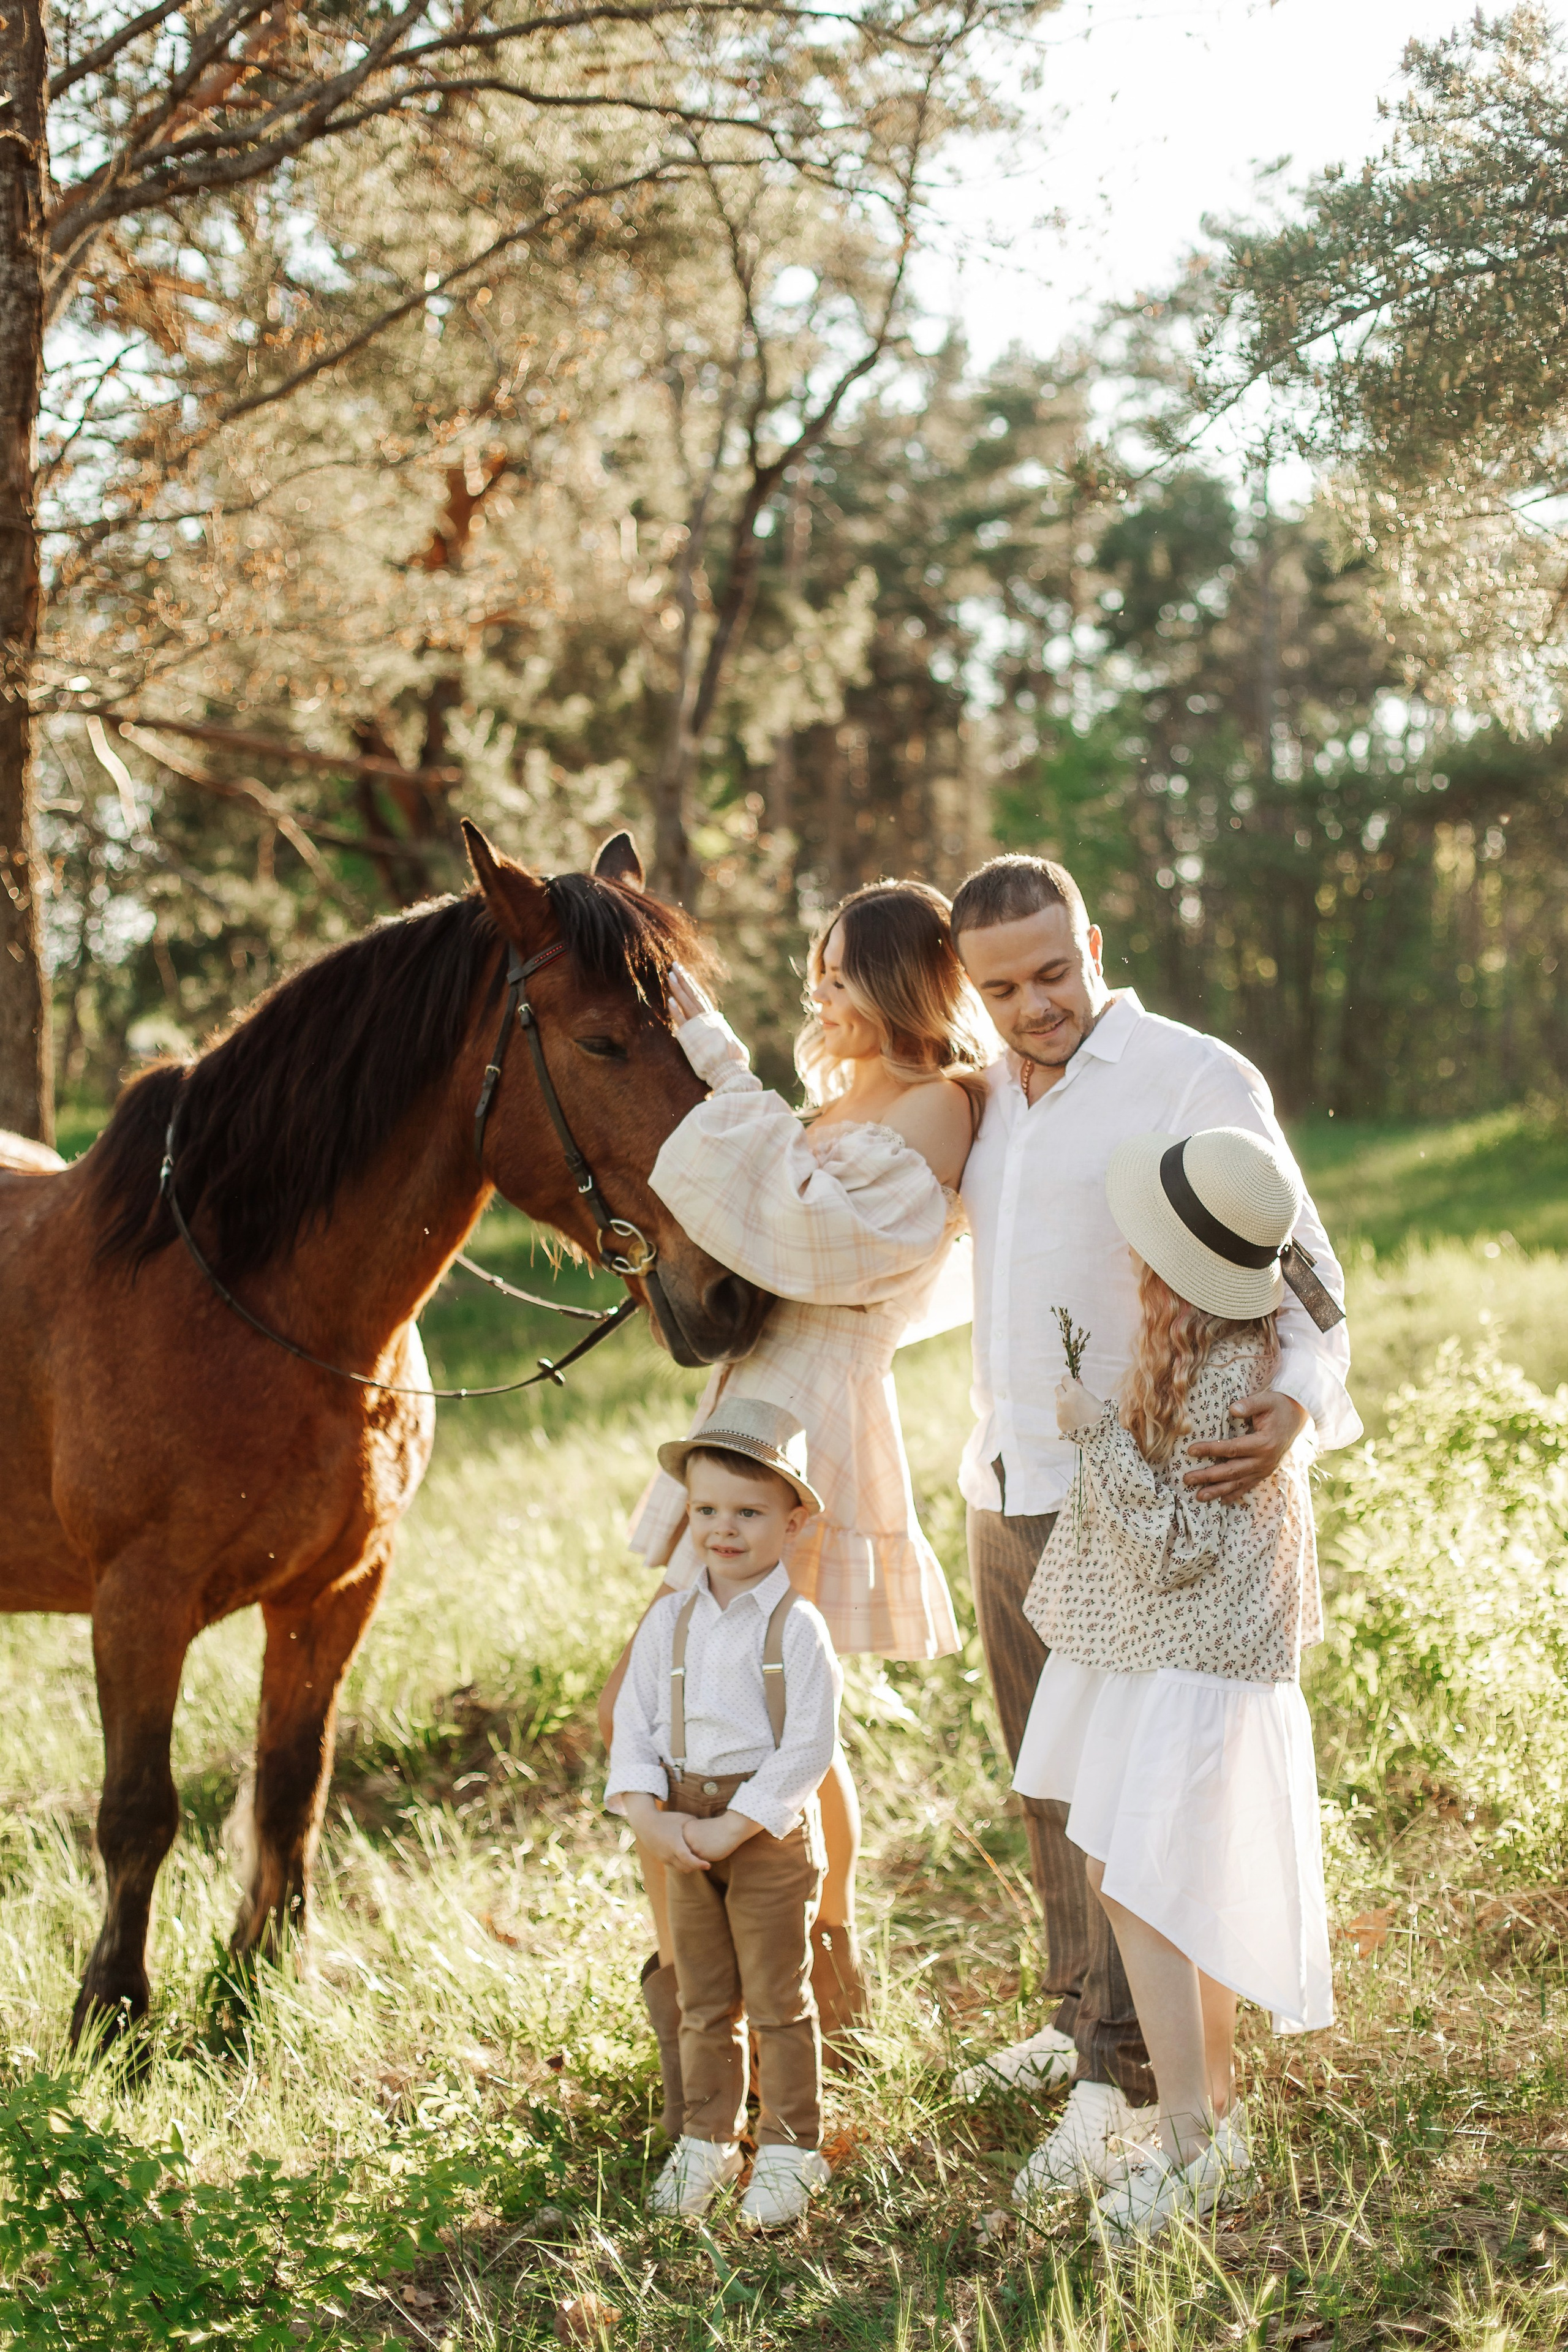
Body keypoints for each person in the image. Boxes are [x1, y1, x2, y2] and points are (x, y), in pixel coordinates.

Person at [947, 854, 1360, 2190]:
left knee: (1130, 1808)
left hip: (1140, 1495)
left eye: (1051, 972)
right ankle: (1078, 2016)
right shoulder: (981, 1105)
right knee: (1054, 1783)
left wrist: (1295, 1406)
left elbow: (1307, 1273)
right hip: (1007, 1472)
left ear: (1092, 944)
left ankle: (1120, 2087)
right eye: (1001, 988)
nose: (1034, 1006)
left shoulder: (1192, 1076)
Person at [598, 880, 989, 2130]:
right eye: (814, 969)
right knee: (709, 1703)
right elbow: (757, 1163)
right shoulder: (836, 1103)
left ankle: (794, 1983)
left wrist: (740, 1121)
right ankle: (723, 1989)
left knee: (762, 1707)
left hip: (816, 1409)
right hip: (752, 1395)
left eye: (838, 972)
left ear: (897, 980)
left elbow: (826, 1245)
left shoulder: (941, 1105)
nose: (817, 991)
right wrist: (686, 1014)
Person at [1010, 1125, 1334, 2242]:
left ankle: (1192, 2138)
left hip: (1197, 1664)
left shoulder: (1228, 1381)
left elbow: (1175, 1546)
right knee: (1155, 1878)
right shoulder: (1226, 1353)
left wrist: (1094, 1433)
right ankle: (1210, 2118)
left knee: (1142, 1884)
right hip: (1182, 1655)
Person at [606, 1400, 842, 2229]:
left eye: (749, 1512)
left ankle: (791, 2147)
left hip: (764, 1833)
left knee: (777, 1996)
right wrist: (651, 1819)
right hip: (682, 1825)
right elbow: (635, 1726)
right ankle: (708, 2138)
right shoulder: (669, 1620)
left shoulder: (797, 1627)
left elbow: (808, 1747)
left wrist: (731, 1826)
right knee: (703, 1996)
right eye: (707, 1510)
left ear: (793, 1520)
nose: (724, 1529)